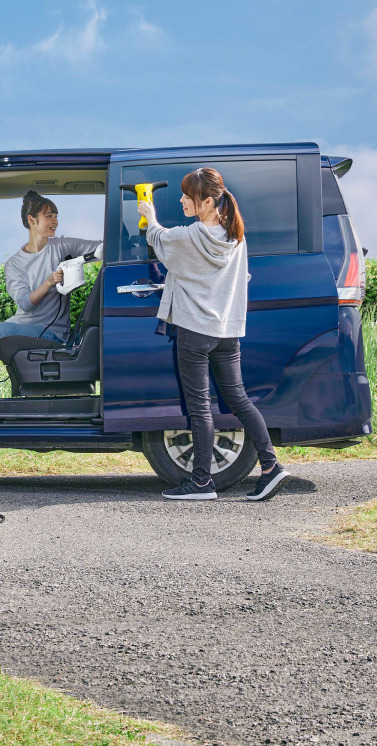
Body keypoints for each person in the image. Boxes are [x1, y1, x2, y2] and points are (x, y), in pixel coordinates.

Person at [139, 167, 290, 502]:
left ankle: (202, 483)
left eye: (186, 196)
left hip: (194, 329)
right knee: (239, 399)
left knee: (200, 407)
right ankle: (270, 467)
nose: (181, 200)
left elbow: (159, 240)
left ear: (206, 201)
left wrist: (149, 215)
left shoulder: (192, 235)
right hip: (226, 331)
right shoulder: (235, 235)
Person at [0, 190, 103, 399]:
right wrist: (49, 282)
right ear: (32, 220)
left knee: (0, 330)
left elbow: (100, 248)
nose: (55, 221)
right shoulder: (14, 264)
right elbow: (26, 304)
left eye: (56, 215)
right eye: (49, 216)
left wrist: (96, 255)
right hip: (21, 323)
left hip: (51, 331)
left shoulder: (63, 246)